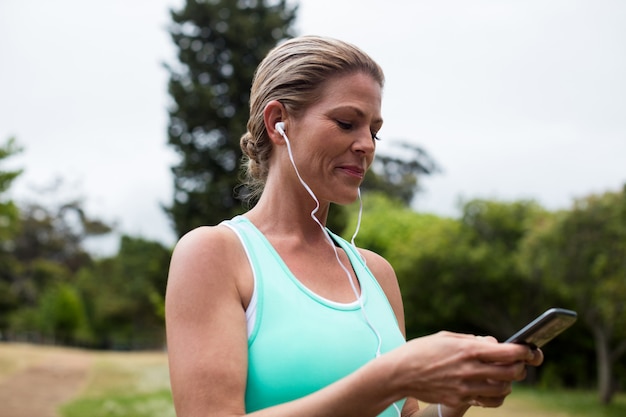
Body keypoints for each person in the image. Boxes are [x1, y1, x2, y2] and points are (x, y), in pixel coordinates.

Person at [165, 35, 544, 417]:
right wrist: (392, 377)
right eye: (347, 123)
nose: (367, 145)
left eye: (374, 131)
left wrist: (453, 399)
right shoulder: (216, 254)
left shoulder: (376, 273)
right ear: (278, 122)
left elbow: (404, 413)